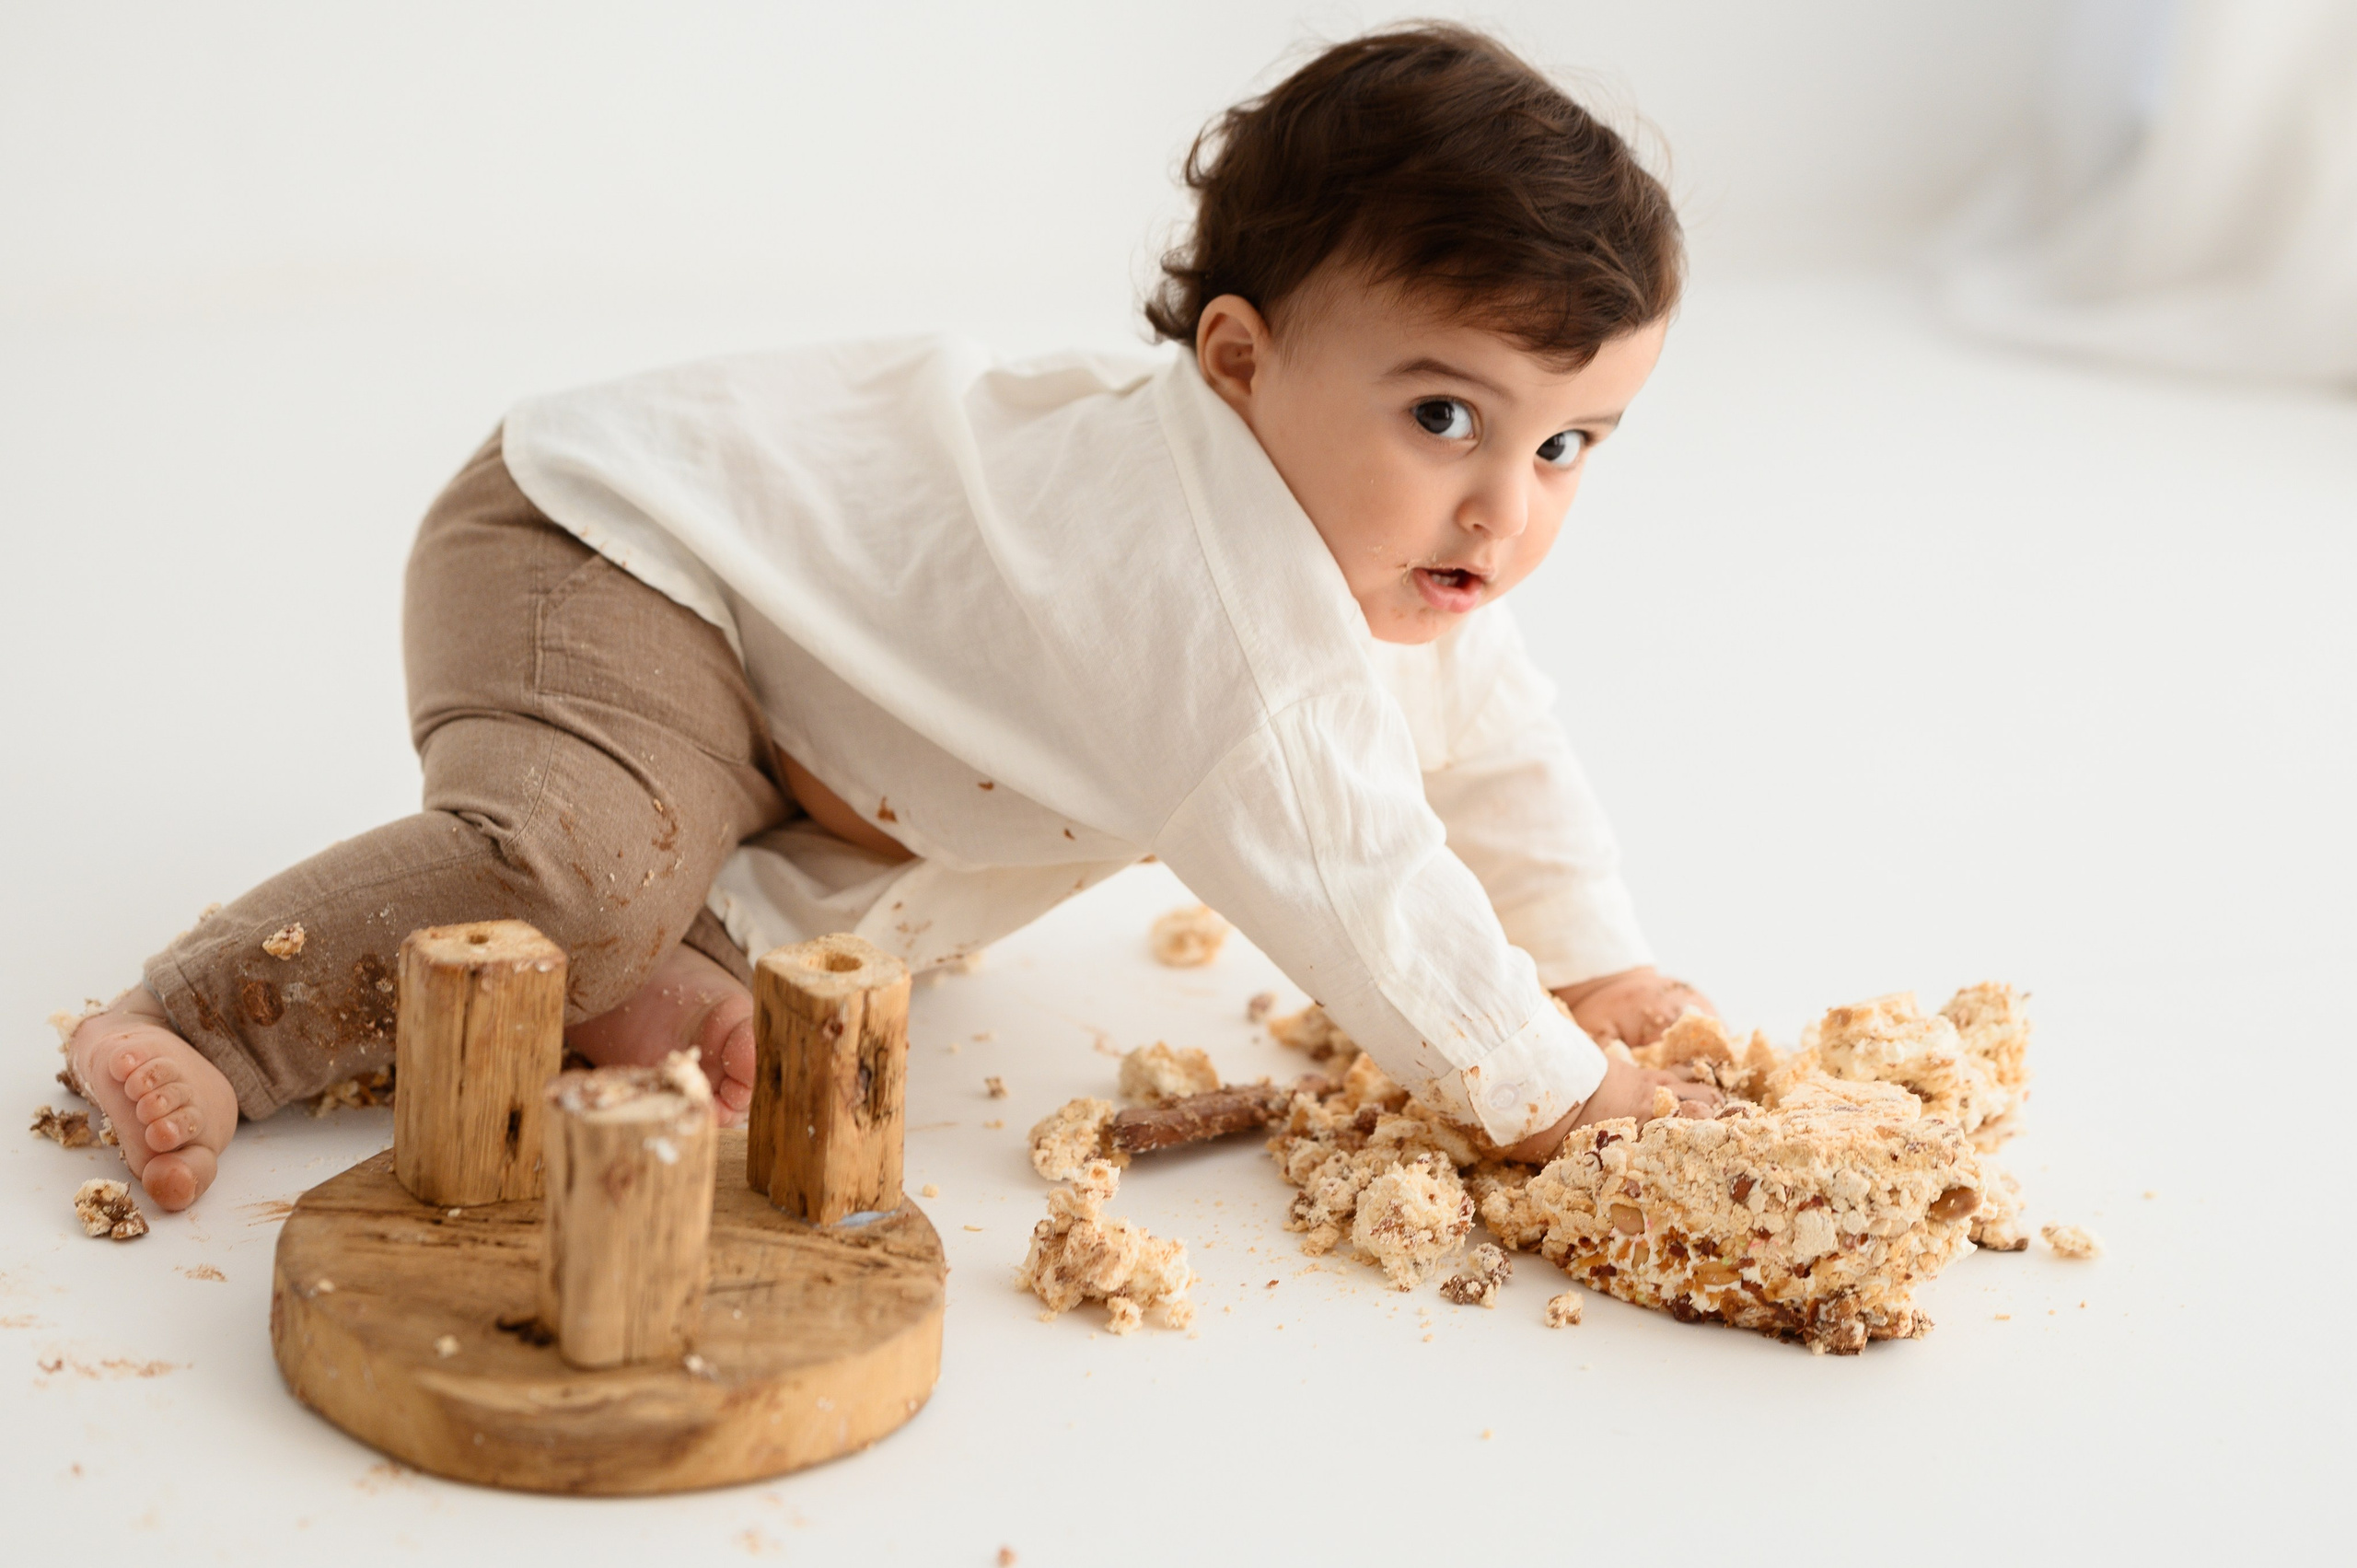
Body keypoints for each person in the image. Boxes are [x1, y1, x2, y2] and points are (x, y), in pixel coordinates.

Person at [65, 22, 1721, 1214]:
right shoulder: (1201, 593)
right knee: (576, 867)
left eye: (1566, 444)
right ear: (1238, 359)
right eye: (1445, 418)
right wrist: (1556, 1091)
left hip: (826, 720)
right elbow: (1358, 879)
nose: (1505, 508)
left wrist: (1601, 961)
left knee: (824, 962)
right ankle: (204, 1017)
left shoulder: (1379, 564)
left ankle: (675, 952)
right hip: (617, 548)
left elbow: (1492, 740)